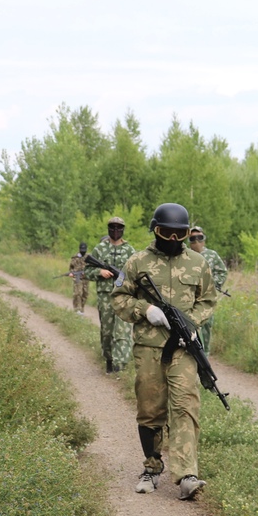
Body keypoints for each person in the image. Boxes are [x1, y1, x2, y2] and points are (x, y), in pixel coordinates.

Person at [112, 202, 218, 500]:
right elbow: (118, 299)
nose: (172, 240)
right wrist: (145, 309)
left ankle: (187, 474)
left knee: (186, 406)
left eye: (179, 234)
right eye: (166, 233)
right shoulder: (137, 262)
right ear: (155, 231)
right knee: (150, 409)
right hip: (149, 348)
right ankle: (152, 467)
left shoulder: (198, 263)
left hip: (183, 349)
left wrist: (192, 324)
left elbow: (207, 300)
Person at [89, 216, 136, 373]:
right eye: (112, 227)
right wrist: (99, 272)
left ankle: (120, 365)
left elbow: (136, 274)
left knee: (122, 331)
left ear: (123, 229)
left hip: (124, 296)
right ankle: (109, 359)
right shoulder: (100, 249)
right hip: (105, 296)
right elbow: (86, 271)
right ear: (108, 228)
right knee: (107, 331)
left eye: (119, 228)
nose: (116, 231)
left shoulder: (130, 250)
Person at [188, 226, 228, 354]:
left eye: (200, 237)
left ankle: (205, 358)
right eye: (193, 238)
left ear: (204, 239)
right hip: (189, 299)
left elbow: (222, 272)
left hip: (206, 299)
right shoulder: (185, 255)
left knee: (206, 328)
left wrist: (212, 285)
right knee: (191, 327)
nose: (196, 241)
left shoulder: (212, 255)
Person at [68, 241, 89, 313]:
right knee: (78, 293)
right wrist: (71, 273)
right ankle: (77, 309)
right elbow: (71, 268)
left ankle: (82, 309)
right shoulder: (75, 257)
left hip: (86, 278)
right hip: (77, 278)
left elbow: (91, 268)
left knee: (85, 294)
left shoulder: (88, 257)